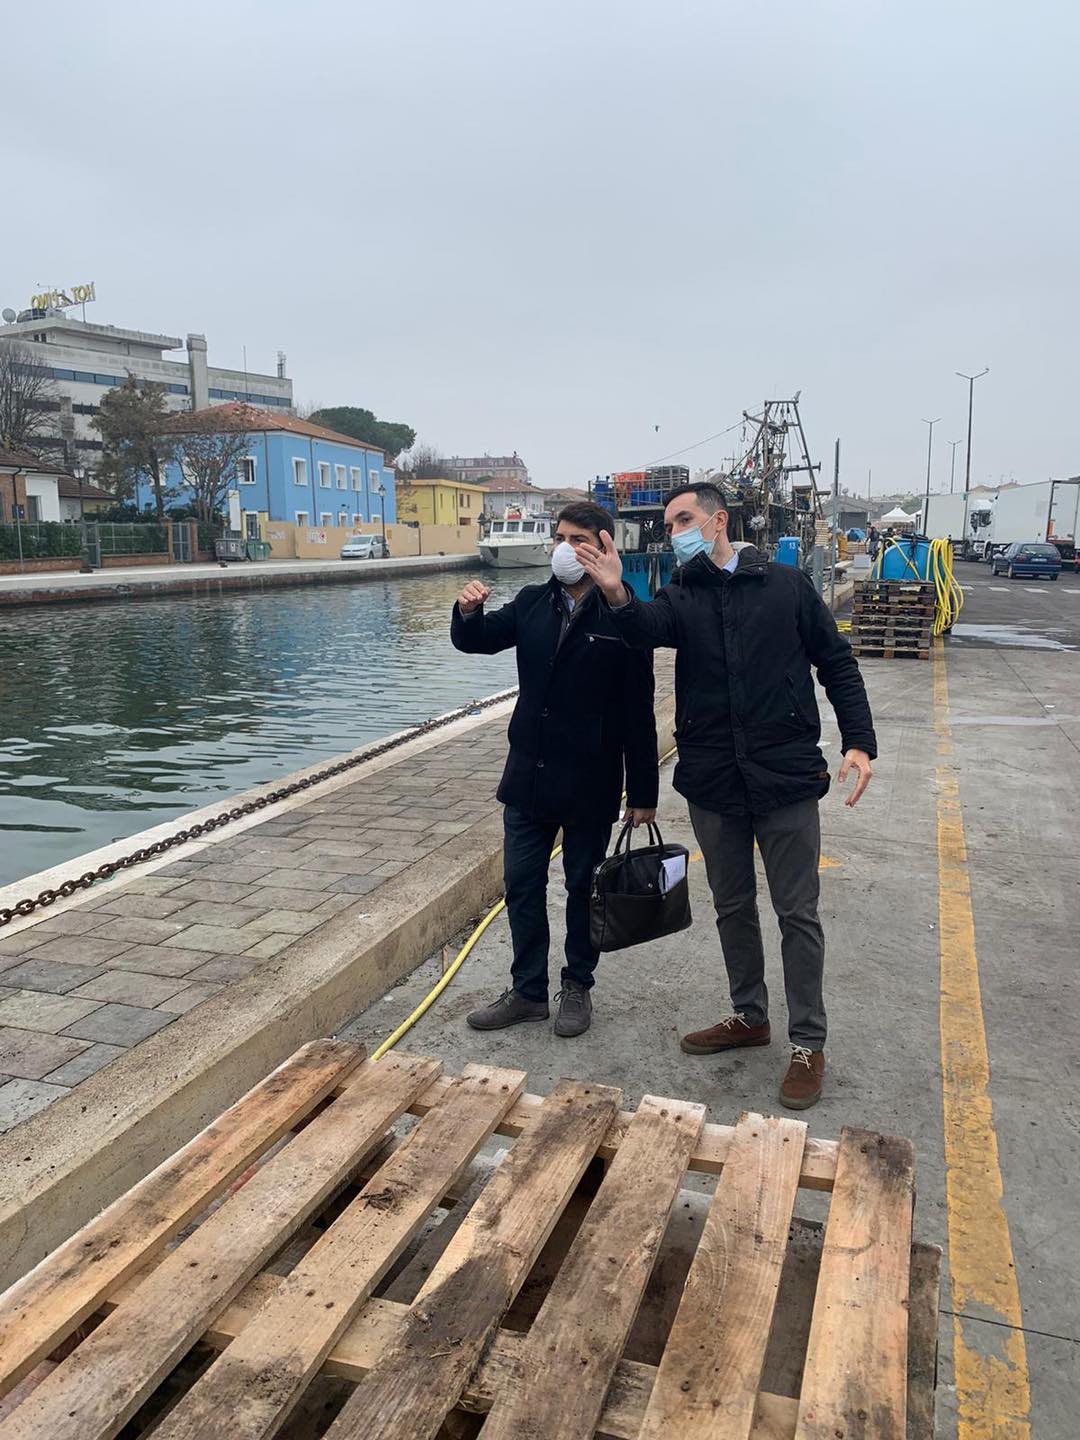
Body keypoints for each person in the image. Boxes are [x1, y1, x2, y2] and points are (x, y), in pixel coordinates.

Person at [578, 484, 876, 1109]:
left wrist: (859, 740)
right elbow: (641, 629)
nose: (676, 529)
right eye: (669, 523)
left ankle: (807, 1042)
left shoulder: (786, 587)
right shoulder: (680, 593)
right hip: (714, 780)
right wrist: (612, 588)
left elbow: (836, 661)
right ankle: (750, 1015)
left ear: (718, 522)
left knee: (798, 913)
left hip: (785, 776)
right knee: (733, 906)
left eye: (684, 518)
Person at [451, 501, 658, 1038]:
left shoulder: (624, 616)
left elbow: (639, 709)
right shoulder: (531, 602)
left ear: (604, 547)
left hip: (590, 780)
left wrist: (643, 791)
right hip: (528, 777)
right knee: (521, 885)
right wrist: (468, 610)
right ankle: (527, 991)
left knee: (582, 888)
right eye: (559, 538)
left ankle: (578, 986)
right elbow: (474, 640)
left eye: (577, 539)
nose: (564, 548)